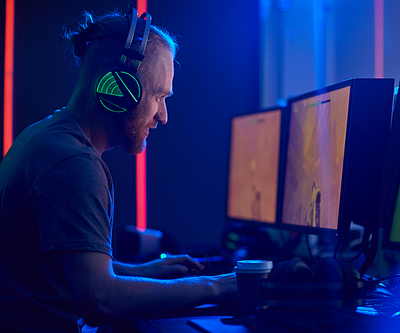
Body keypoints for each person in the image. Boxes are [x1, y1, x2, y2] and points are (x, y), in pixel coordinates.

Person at [0, 8, 237, 332]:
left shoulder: (44, 137)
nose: (163, 115)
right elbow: (99, 299)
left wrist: (147, 272)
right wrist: (221, 287)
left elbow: (74, 270)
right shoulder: (73, 165)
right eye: (158, 96)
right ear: (120, 88)